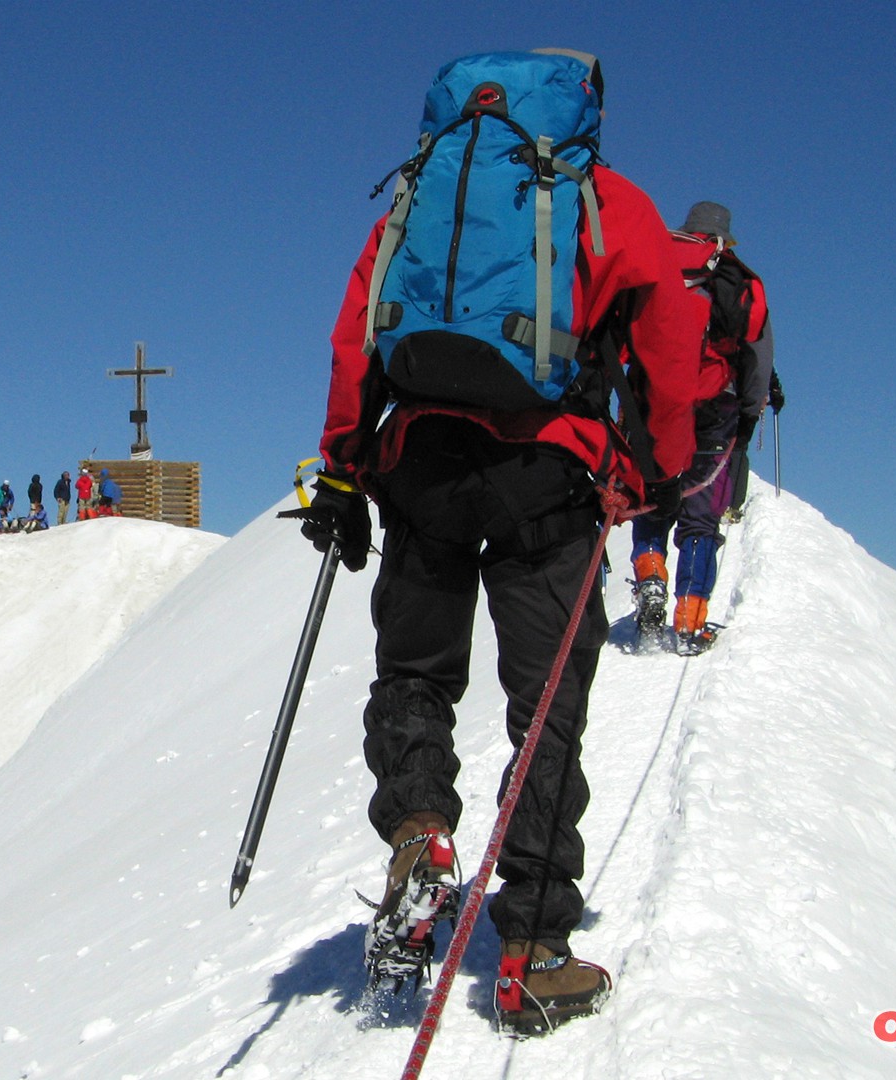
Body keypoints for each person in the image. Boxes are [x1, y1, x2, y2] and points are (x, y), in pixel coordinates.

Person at [295, 50, 702, 1032]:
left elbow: (359, 331)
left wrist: (344, 469)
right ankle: (533, 950)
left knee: (416, 675)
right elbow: (670, 337)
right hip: (548, 476)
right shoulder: (604, 199)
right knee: (547, 704)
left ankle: (422, 832)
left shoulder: (418, 195)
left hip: (420, 465)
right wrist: (655, 471)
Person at [629, 201, 774, 655]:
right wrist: (749, 413)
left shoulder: (657, 263)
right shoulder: (738, 281)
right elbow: (757, 357)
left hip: (652, 403)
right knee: (700, 520)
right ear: (725, 240)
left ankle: (650, 578)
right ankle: (689, 625)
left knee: (653, 500)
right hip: (715, 409)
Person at [724, 370, 783, 523]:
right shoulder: (758, 346)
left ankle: (719, 500)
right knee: (738, 448)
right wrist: (774, 389)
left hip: (722, 392)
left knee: (724, 447)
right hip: (750, 398)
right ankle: (732, 504)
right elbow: (764, 364)